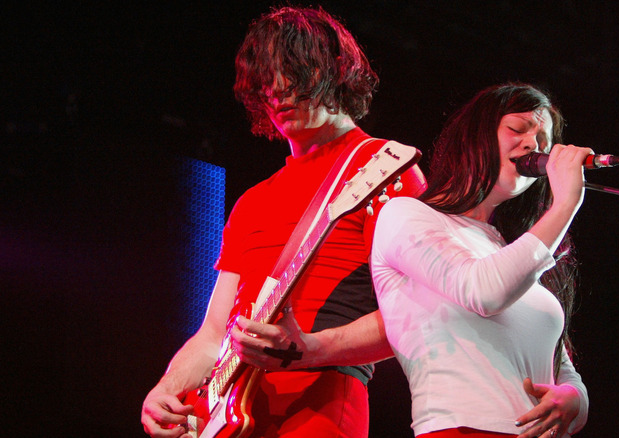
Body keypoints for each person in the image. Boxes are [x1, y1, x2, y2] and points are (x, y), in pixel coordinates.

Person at [140, 6, 425, 438]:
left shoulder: (381, 168)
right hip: (232, 414)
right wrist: (166, 388)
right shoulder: (252, 201)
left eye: (293, 72)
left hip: (321, 404)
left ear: (336, 69)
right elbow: (213, 333)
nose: (277, 90)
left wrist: (310, 350)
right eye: (266, 78)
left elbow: (418, 313)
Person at [369, 82, 590, 438]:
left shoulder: (513, 250)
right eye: (518, 129)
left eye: (543, 141)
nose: (533, 145)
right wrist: (565, 205)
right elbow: (483, 292)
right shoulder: (406, 215)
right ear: (476, 135)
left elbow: (560, 363)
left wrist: (574, 397)